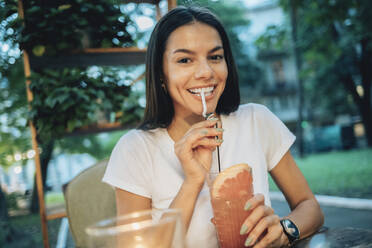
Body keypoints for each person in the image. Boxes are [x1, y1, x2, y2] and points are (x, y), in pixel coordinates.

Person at [103, 5, 324, 248]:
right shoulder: (135, 149)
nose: (206, 72)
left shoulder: (257, 121)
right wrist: (192, 181)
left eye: (215, 57)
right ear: (161, 75)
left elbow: (309, 206)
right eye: (185, 60)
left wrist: (284, 231)